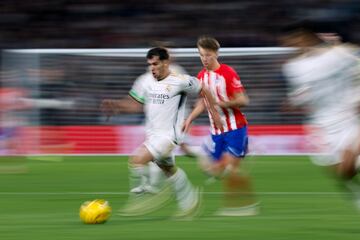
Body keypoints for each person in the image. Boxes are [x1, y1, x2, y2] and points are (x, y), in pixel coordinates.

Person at [101, 47, 221, 218]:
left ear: (166, 62)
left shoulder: (181, 80)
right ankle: (190, 201)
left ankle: (143, 197)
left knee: (137, 160)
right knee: (168, 169)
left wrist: (212, 112)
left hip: (170, 135)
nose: (152, 68)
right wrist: (116, 105)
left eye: (156, 64)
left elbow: (205, 90)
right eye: (150, 64)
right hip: (153, 134)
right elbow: (135, 104)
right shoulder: (144, 80)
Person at [281, 22, 360, 209]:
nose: (292, 44)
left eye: (294, 38)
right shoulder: (292, 67)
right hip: (320, 125)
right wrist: (294, 101)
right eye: (288, 41)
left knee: (348, 166)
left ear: (307, 36)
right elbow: (302, 93)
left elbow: (355, 58)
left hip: (347, 118)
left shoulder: (337, 55)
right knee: (342, 174)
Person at [183, 36, 259, 216]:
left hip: (235, 129)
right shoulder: (202, 76)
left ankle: (244, 206)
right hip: (216, 131)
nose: (204, 59)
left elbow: (243, 100)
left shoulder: (228, 73)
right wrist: (189, 119)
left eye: (208, 55)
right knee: (210, 168)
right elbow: (202, 102)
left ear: (216, 54)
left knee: (233, 170)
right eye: (201, 55)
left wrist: (222, 104)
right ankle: (239, 156)